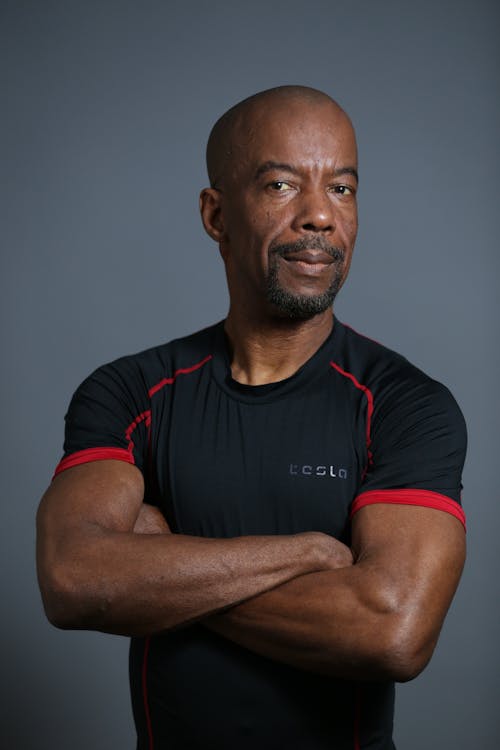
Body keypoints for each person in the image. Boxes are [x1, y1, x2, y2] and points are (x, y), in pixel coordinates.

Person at [36, 85, 467, 750]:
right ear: (215, 214)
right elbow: (72, 577)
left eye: (343, 189)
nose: (320, 215)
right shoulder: (131, 392)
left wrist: (156, 566)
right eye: (280, 185)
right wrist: (308, 556)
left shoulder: (404, 404)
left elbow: (393, 631)